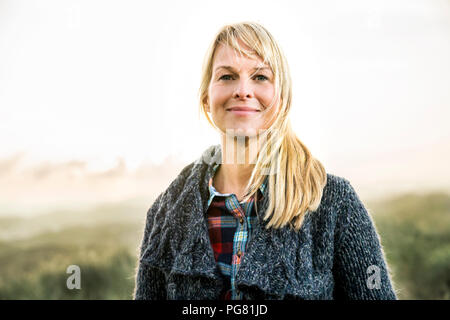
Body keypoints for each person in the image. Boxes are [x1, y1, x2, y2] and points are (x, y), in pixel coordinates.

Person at [133, 21, 397, 300]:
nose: (243, 90)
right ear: (205, 98)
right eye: (226, 76)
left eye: (260, 77)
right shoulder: (165, 214)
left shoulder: (334, 203)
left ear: (282, 98)